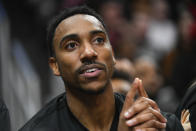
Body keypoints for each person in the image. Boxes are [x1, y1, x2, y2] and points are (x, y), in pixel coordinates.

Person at [19, 6, 183, 131]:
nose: (89, 52)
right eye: (71, 45)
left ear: (112, 54)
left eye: (98, 40)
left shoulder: (158, 124)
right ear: (55, 66)